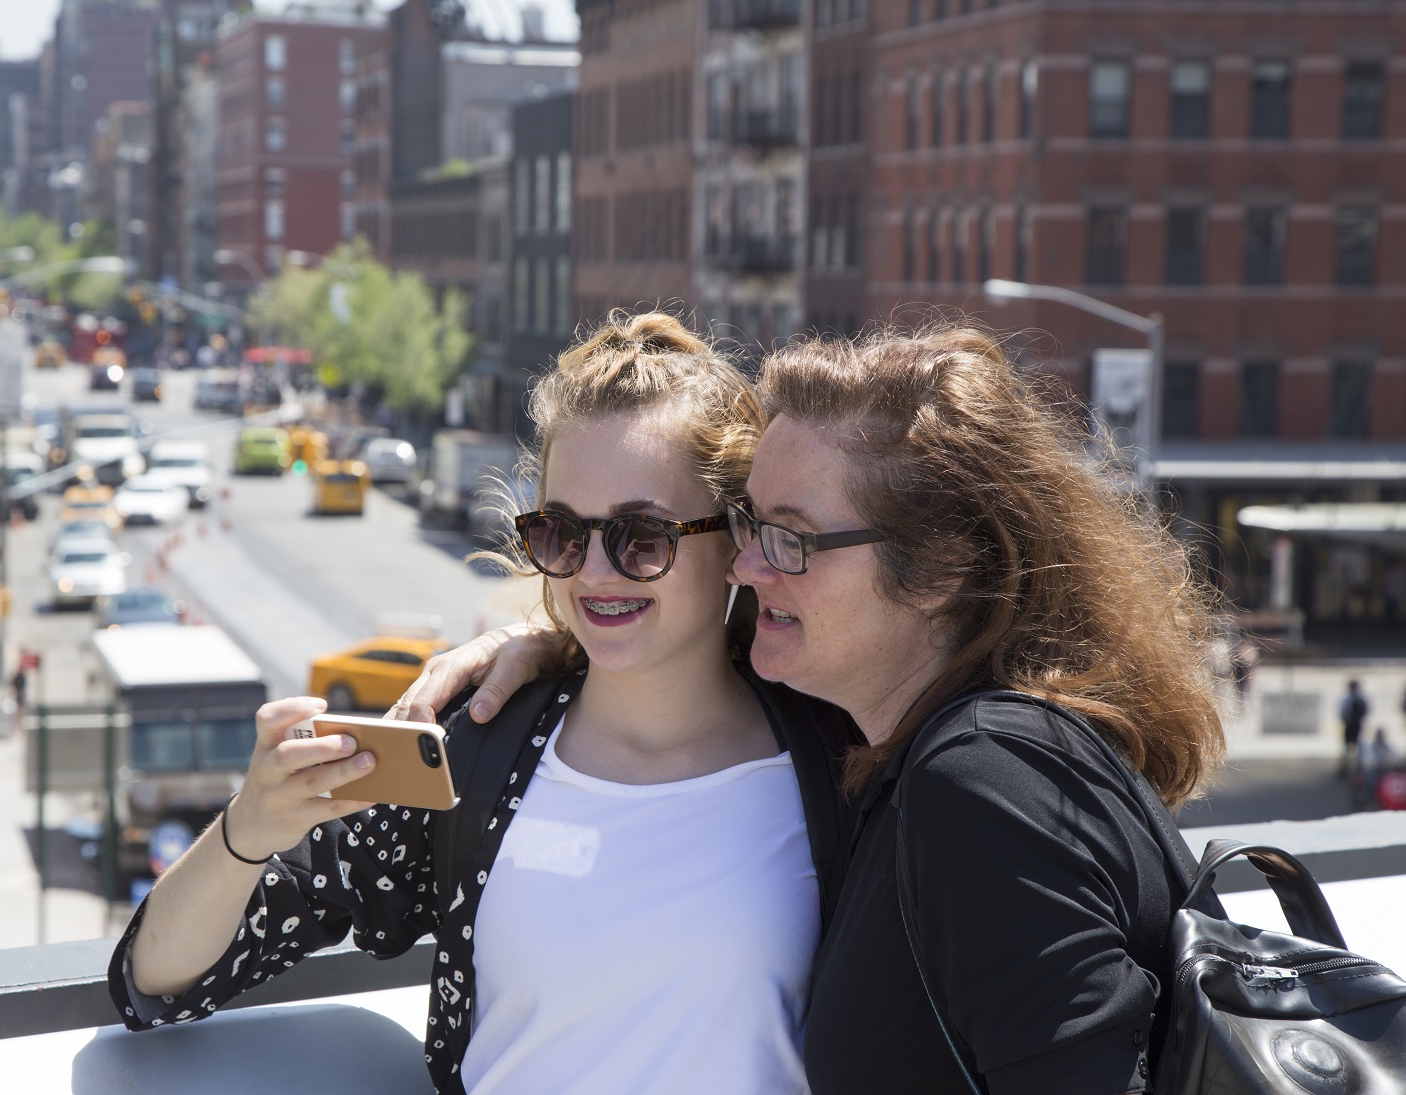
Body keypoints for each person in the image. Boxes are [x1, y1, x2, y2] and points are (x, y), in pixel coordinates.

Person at [403, 326, 1228, 1093]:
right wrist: (556, 641)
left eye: (789, 539)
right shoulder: (917, 753)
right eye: (749, 525)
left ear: (938, 571)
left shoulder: (981, 784)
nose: (746, 564)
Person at [107, 312, 854, 1095]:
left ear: (735, 538)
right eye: (562, 533)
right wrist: (248, 829)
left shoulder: (838, 755)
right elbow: (156, 981)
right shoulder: (480, 750)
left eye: (642, 535)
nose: (595, 571)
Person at [1339, 679, 1369, 777]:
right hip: (1350, 725)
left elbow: (1365, 711)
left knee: (1359, 747)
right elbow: (1342, 712)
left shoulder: (1359, 699)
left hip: (1357, 725)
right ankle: (1345, 768)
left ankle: (1358, 768)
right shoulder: (1347, 699)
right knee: (1347, 747)